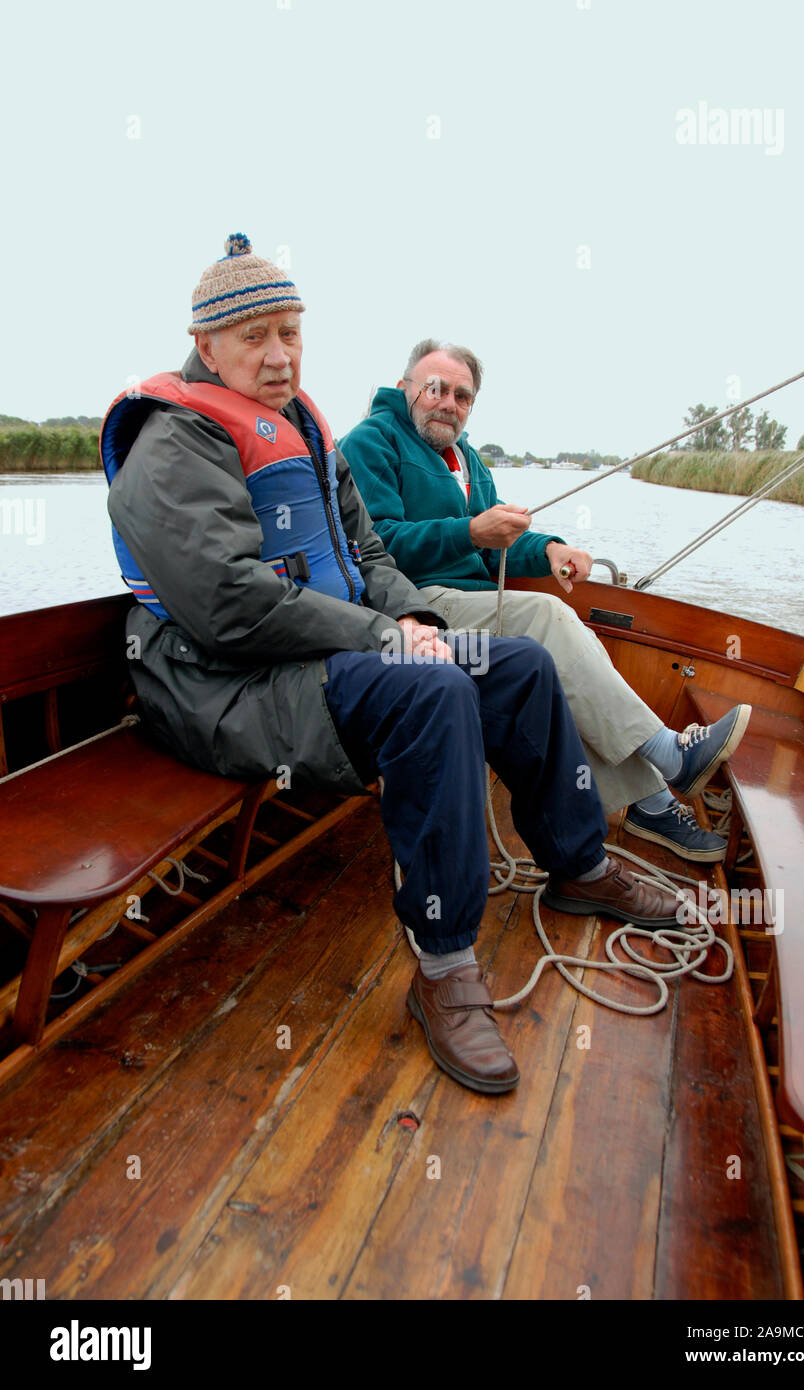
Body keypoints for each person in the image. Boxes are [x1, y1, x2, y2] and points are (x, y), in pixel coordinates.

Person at [100, 235, 686, 1099]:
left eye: (291, 332)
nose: (278, 355)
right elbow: (227, 604)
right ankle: (445, 967)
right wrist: (386, 641)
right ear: (206, 342)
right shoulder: (174, 445)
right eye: (255, 336)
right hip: (220, 686)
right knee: (433, 688)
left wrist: (409, 613)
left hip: (321, 656)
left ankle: (579, 864)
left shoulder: (302, 428)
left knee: (517, 664)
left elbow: (367, 551)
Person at [339, 340, 750, 862]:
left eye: (463, 396)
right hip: (416, 608)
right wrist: (468, 532)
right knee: (551, 615)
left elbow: (497, 545)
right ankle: (667, 755)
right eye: (436, 388)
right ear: (406, 389)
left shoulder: (467, 459)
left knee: (572, 651)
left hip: (474, 596)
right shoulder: (372, 442)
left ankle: (647, 799)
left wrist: (552, 548)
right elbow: (378, 546)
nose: (449, 403)